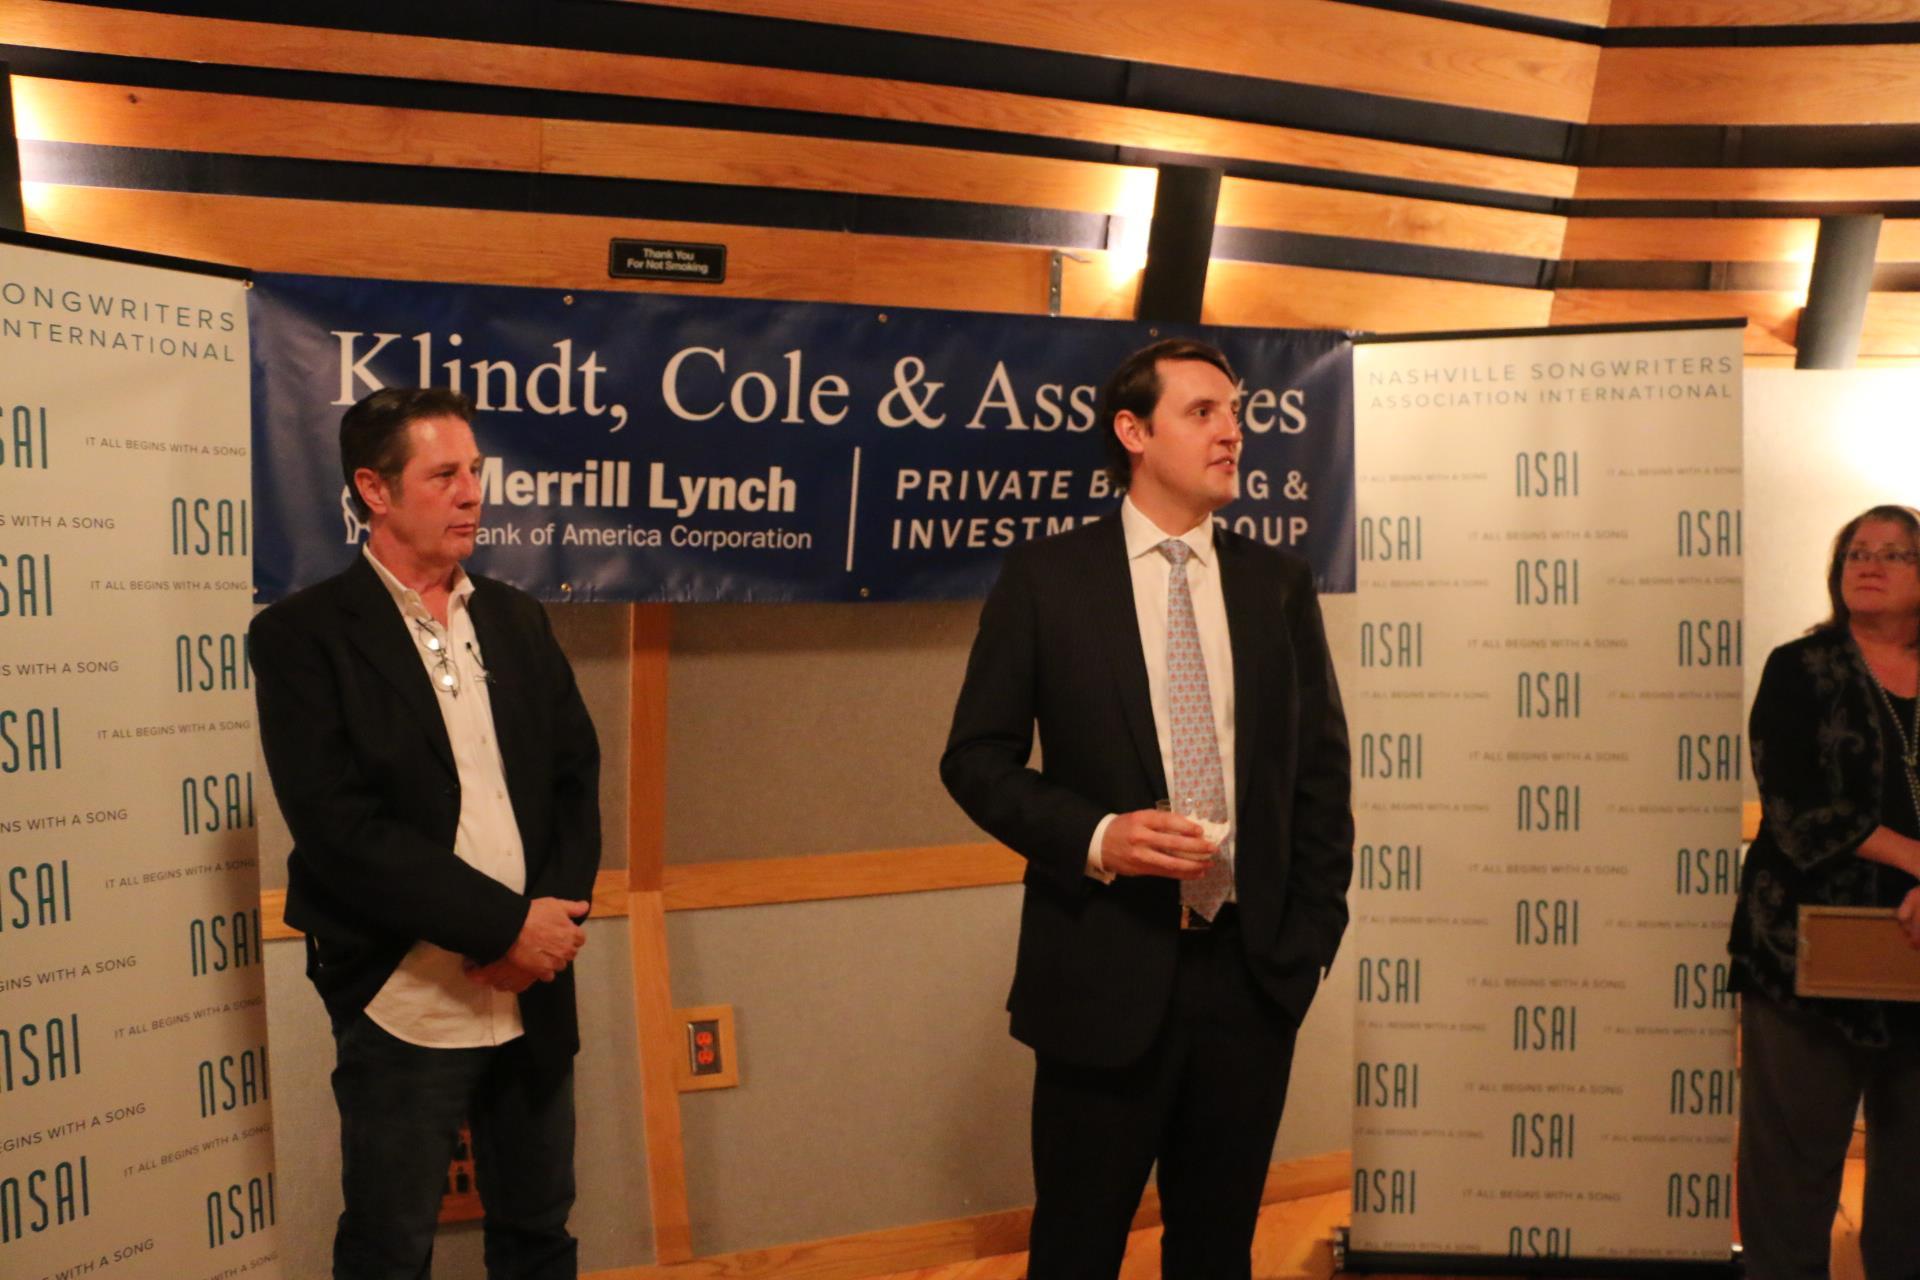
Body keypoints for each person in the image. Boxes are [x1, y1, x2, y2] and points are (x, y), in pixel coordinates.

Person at [940, 338, 1352, 1278]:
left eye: (1236, 412)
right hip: (1102, 972)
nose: (1231, 432)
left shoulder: (1277, 584)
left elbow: (1320, 776)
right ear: (1133, 432)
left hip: (1252, 980)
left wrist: (1306, 942)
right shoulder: (1047, 579)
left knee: (1216, 1251)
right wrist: (1098, 837)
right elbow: (974, 760)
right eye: (1203, 413)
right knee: (1077, 1250)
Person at [252, 387, 601, 1279]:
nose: (472, 492)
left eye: (475, 471)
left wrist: (548, 928)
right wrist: (503, 927)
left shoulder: (516, 619)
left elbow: (575, 779)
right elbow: (339, 829)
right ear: (374, 490)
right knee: (390, 1246)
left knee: (539, 1232)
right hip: (401, 994)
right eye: (444, 474)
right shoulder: (302, 637)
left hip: (532, 986)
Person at [1731, 503, 1920, 1280]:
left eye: (1895, 553)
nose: (1868, 564)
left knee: (1913, 1181)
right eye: (1856, 552)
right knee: (1791, 1170)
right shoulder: (1799, 668)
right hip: (1803, 956)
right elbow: (1795, 805)